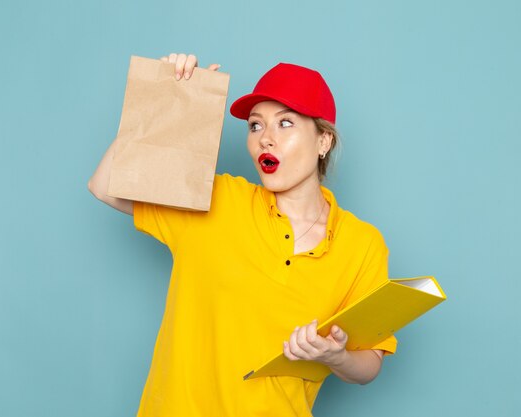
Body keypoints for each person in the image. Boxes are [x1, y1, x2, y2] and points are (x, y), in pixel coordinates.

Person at [89, 53, 397, 417]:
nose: (265, 139)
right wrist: (162, 99)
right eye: (255, 126)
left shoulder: (362, 245)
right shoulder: (215, 199)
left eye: (285, 124)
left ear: (323, 142)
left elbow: (369, 365)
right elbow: (106, 185)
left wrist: (336, 356)